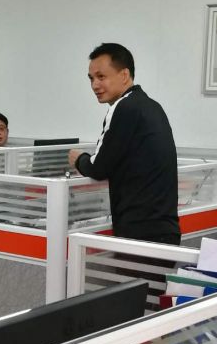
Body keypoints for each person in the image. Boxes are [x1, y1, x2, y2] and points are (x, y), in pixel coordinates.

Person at [68, 43, 180, 245]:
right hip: (164, 229)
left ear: (124, 75)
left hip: (139, 232)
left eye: (101, 77)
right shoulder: (151, 106)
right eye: (91, 78)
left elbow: (98, 167)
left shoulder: (123, 107)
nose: (95, 85)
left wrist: (79, 159)